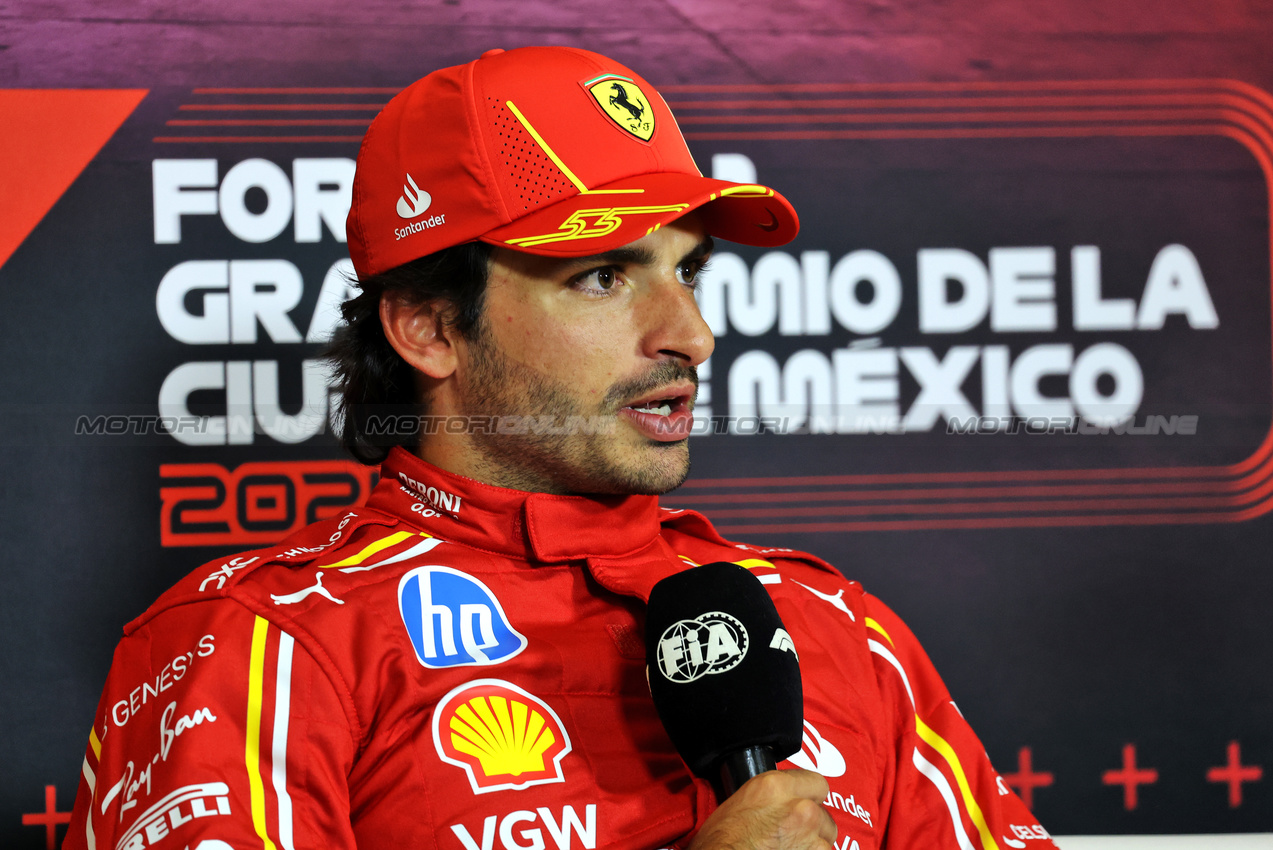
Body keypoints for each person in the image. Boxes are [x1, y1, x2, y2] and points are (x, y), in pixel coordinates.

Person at [67, 46, 1053, 850]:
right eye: (602, 277)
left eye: (686, 270)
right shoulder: (263, 643)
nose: (689, 335)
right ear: (427, 329)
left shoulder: (843, 631)